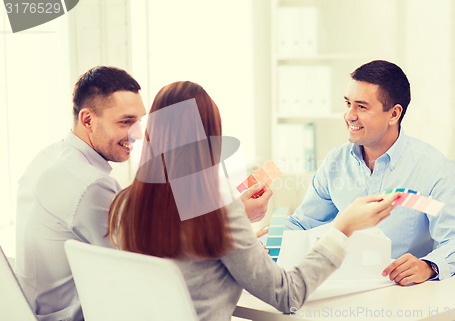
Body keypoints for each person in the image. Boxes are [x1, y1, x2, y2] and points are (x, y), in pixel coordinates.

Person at [108, 80, 399, 321]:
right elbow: (288, 295)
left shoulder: (124, 205)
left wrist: (237, 214)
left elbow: (185, 246)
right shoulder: (218, 218)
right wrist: (342, 229)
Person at [15, 66, 271, 321]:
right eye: (126, 122)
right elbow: (153, 266)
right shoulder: (91, 185)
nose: (138, 134)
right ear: (87, 120)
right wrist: (228, 228)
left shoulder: (48, 158)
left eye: (140, 120)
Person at [285, 60, 455, 285]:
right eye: (348, 103)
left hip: (406, 297)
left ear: (394, 114)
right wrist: (263, 242)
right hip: (346, 289)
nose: (349, 115)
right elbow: (304, 223)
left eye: (361, 107)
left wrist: (428, 265)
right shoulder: (335, 163)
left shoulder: (434, 169)